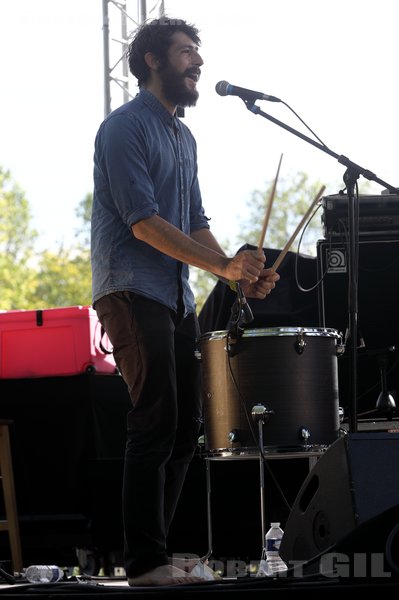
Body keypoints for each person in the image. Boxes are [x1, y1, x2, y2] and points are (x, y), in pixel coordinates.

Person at [91, 16, 280, 587]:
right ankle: (144, 562)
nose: (197, 62)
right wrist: (222, 266)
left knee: (182, 429)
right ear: (152, 60)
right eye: (185, 52)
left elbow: (194, 224)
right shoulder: (123, 128)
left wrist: (234, 276)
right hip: (130, 289)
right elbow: (144, 223)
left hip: (174, 294)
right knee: (156, 421)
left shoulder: (184, 136)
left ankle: (156, 554)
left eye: (198, 53)